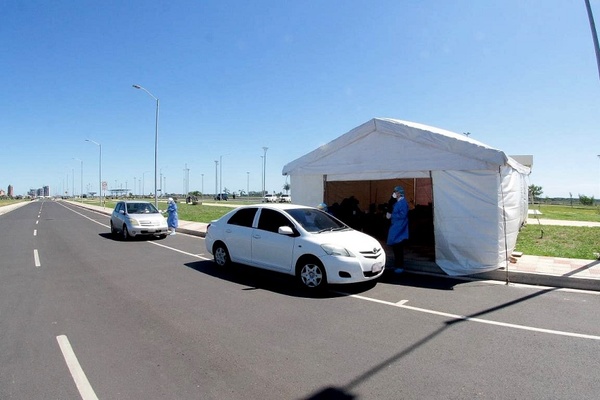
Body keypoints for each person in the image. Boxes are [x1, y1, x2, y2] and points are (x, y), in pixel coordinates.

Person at [387, 186, 409, 273]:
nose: (394, 193)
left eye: (395, 192)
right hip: (396, 226)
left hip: (400, 227)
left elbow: (402, 215)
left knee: (398, 247)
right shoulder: (397, 202)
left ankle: (400, 266)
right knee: (395, 248)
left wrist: (392, 215)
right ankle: (397, 265)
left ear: (399, 193)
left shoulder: (403, 203)